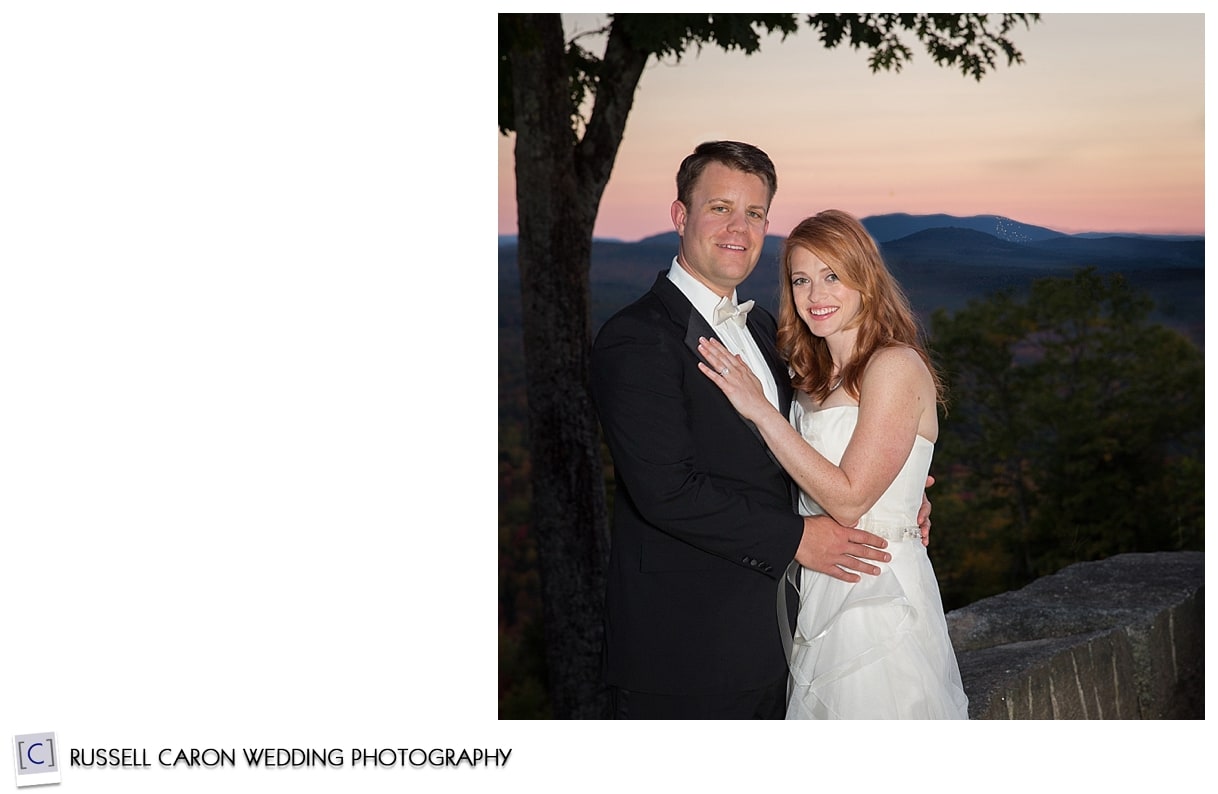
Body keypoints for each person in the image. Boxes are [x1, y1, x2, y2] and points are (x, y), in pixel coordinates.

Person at [589, 142, 929, 719]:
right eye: (719, 208)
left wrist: (900, 488)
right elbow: (666, 491)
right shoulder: (637, 337)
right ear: (680, 216)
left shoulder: (771, 331)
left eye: (753, 213)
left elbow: (829, 429)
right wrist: (797, 538)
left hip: (790, 637)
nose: (737, 228)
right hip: (687, 648)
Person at [695, 208, 968, 719]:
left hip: (875, 589)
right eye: (801, 280)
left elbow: (848, 499)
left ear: (865, 278)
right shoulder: (808, 375)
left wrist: (758, 408)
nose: (816, 296)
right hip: (818, 584)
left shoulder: (894, 364)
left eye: (832, 277)